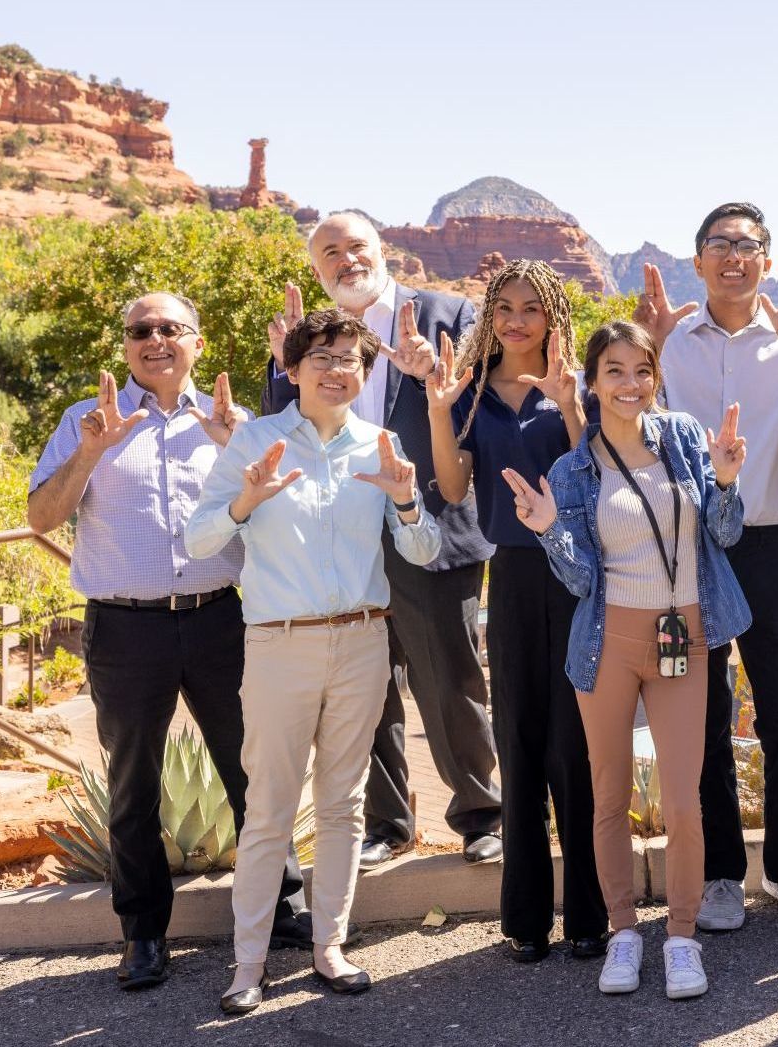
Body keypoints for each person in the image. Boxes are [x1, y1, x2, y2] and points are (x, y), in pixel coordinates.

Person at [26, 292, 310, 992]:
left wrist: (232, 443)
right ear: (126, 345)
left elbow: (290, 517)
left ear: (198, 343)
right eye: (140, 330)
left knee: (255, 769)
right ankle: (143, 935)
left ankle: (284, 906)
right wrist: (91, 453)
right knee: (134, 786)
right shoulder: (84, 422)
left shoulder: (234, 424)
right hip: (126, 628)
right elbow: (41, 516)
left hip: (221, 618)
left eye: (170, 329)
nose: (155, 340)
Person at [188, 307, 443, 1014]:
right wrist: (244, 500)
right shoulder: (255, 441)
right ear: (293, 369)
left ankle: (330, 947)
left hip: (363, 640)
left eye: (352, 360)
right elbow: (200, 541)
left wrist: (407, 503)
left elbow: (424, 554)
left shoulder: (379, 443)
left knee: (343, 804)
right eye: (324, 357)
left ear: (366, 374)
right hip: (280, 643)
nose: (339, 370)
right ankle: (248, 963)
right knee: (268, 809)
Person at [508, 321, 751, 1001]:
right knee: (608, 795)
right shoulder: (571, 470)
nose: (630, 384)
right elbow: (583, 580)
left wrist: (726, 482)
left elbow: (724, 534)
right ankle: (622, 931)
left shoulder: (684, 439)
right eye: (614, 371)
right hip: (609, 640)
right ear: (591, 382)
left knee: (683, 800)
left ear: (656, 377)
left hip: (685, 635)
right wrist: (550, 530)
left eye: (641, 370)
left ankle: (680, 938)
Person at [261, 211, 503, 868]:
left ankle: (483, 816)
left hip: (432, 529)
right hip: (340, 543)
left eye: (355, 246)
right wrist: (289, 379)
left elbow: (488, 409)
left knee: (448, 679)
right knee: (362, 692)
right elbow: (275, 433)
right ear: (317, 270)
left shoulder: (450, 315)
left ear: (383, 252)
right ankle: (386, 823)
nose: (345, 260)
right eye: (329, 253)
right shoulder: (303, 337)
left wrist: (432, 381)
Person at [633, 203, 778, 929]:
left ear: (765, 258)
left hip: (770, 547)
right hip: (686, 549)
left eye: (748, 245)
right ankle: (721, 872)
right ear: (699, 262)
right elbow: (636, 426)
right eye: (720, 245)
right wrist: (651, 356)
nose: (734, 256)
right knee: (702, 717)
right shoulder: (668, 341)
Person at [424, 260, 608, 963]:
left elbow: (598, 469)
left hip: (579, 577)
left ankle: (591, 915)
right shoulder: (468, 395)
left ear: (553, 315)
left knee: (574, 744)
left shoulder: (578, 388)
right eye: (505, 307)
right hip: (513, 575)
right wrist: (440, 413)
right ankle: (526, 921)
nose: (518, 319)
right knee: (521, 744)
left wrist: (568, 403)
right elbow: (450, 485)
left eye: (533, 306)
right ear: (489, 318)